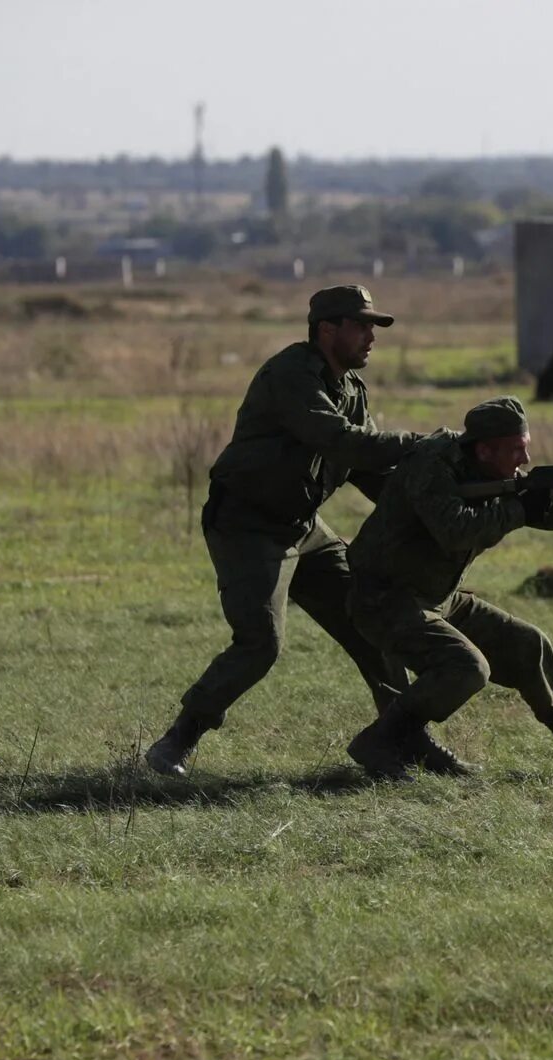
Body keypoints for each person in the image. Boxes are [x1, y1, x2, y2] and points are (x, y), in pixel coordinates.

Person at [146, 285, 418, 777]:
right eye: (361, 326)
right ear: (326, 330)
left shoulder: (351, 389)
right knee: (260, 642)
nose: (371, 337)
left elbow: (371, 473)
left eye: (373, 327)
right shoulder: (291, 375)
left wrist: (443, 493)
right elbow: (342, 442)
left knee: (372, 622)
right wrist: (423, 445)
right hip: (248, 526)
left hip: (304, 527)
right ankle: (177, 740)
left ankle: (399, 739)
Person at [342, 395, 553, 779]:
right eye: (516, 451)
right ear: (485, 449)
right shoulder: (432, 464)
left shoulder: (493, 469)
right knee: (466, 667)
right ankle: (383, 740)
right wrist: (520, 508)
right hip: (384, 597)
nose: (524, 462)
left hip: (436, 595)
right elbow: (455, 530)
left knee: (528, 644)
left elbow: (550, 514)